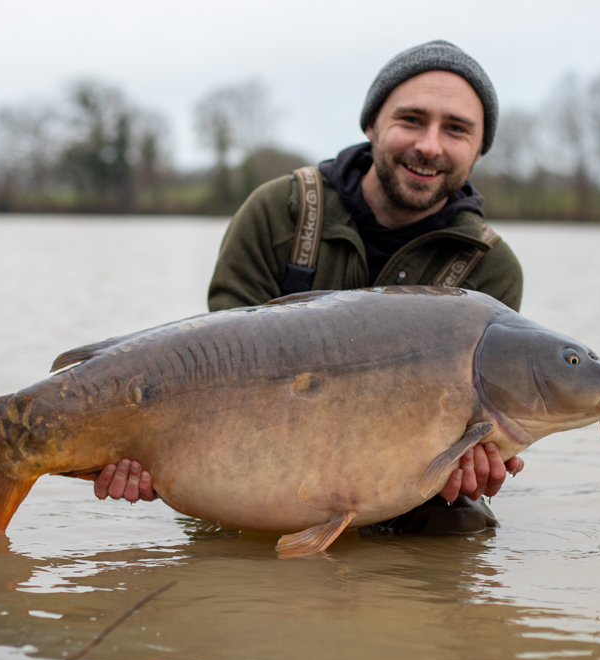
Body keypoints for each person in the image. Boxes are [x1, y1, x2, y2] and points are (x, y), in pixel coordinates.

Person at [94, 40, 526, 534]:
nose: (429, 145)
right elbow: (207, 371)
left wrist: (480, 463)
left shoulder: (490, 267)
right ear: (372, 125)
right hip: (260, 465)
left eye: (456, 129)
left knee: (466, 528)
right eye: (411, 119)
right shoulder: (279, 210)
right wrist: (154, 453)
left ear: (478, 148)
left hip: (405, 492)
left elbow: (479, 430)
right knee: (221, 540)